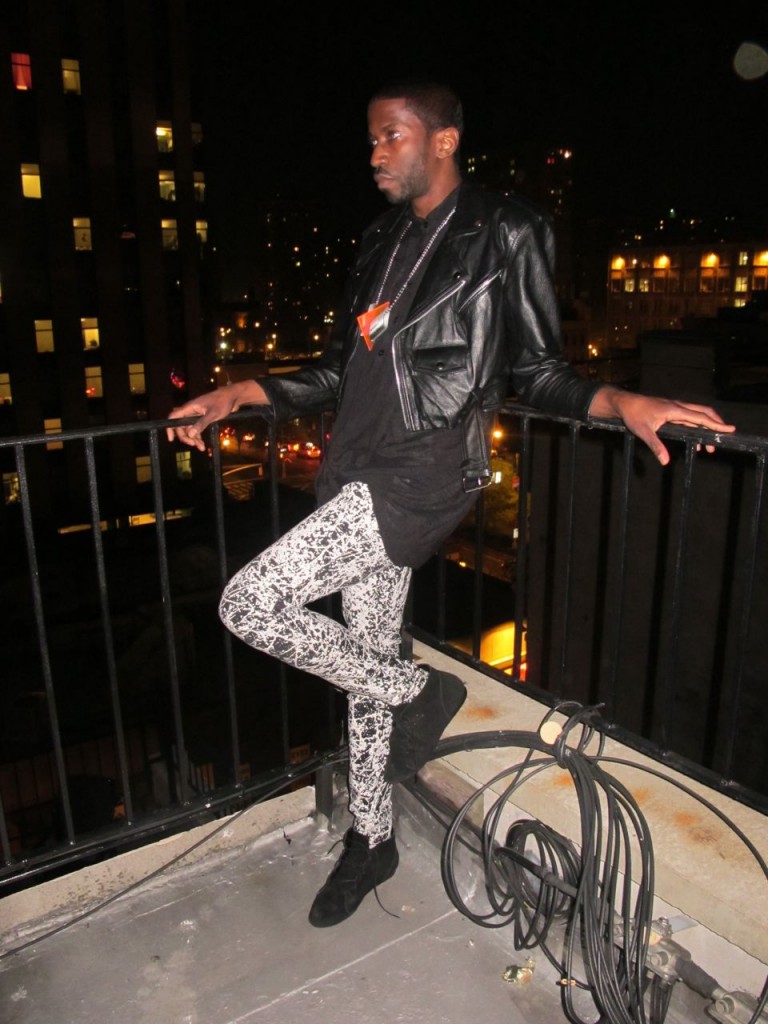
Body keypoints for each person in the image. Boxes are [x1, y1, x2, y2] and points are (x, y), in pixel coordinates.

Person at [167, 79, 734, 928]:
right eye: (370, 139)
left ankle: (417, 689)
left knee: (250, 603)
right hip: (354, 466)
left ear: (443, 140)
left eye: (390, 136)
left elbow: (538, 369)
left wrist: (623, 401)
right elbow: (339, 368)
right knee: (358, 665)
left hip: (424, 473)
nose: (374, 154)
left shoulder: (507, 229)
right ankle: (372, 836)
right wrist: (239, 393)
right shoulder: (380, 239)